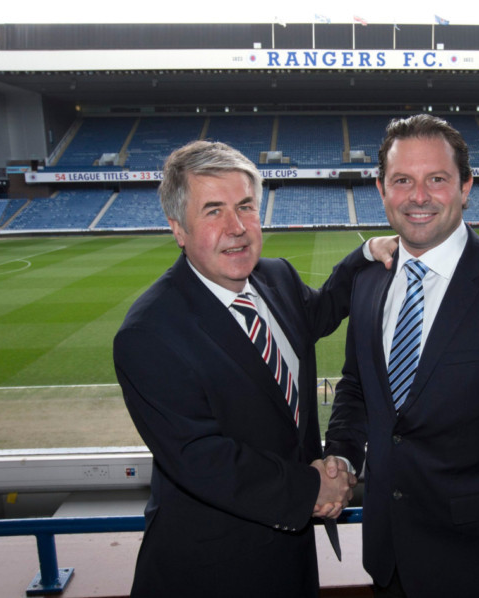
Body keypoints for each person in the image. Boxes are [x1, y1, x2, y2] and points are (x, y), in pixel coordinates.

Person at [113, 140, 395, 597]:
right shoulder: (149, 333)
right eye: (213, 211)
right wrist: (312, 488)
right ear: (178, 229)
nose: (237, 227)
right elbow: (203, 459)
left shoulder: (274, 277)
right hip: (213, 568)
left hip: (290, 554)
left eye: (246, 206)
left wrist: (365, 255)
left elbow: (320, 311)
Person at [324, 114, 479, 598]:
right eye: (403, 180)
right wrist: (340, 453)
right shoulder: (369, 278)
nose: (418, 196)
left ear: (465, 187)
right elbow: (357, 386)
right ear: (382, 189)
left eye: (436, 179)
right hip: (387, 557)